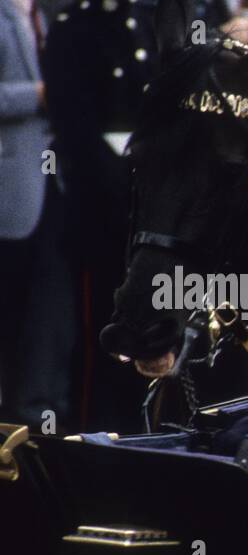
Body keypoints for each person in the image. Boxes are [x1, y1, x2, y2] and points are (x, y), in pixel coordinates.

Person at [0, 0, 74, 429]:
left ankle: (37, 424)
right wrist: (39, 94)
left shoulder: (50, 12)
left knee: (48, 317)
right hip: (10, 188)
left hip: (55, 186)